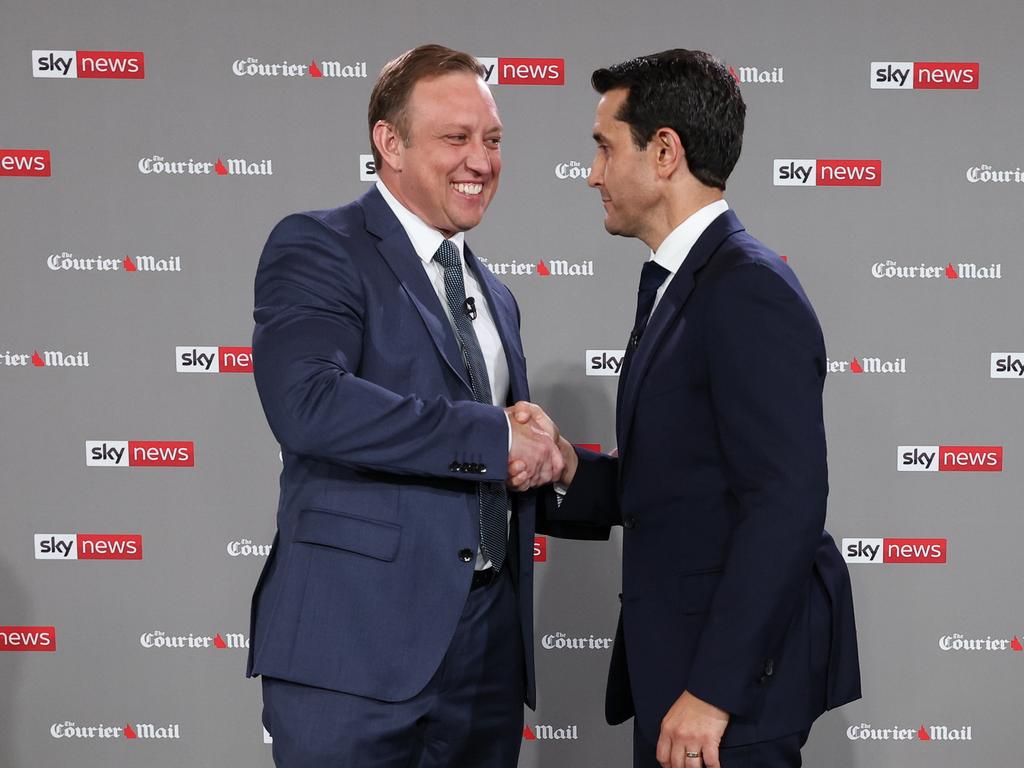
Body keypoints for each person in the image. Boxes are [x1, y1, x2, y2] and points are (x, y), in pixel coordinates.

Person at [520, 49, 861, 768]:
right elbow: (679, 483)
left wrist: (714, 690)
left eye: (605, 148)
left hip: (724, 694)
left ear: (665, 152)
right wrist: (562, 466)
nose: (593, 174)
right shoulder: (687, 284)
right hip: (682, 672)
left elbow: (785, 502)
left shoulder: (745, 288)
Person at [247, 44, 563, 767]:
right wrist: (493, 437)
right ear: (389, 143)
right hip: (351, 655)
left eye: (492, 140)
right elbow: (309, 403)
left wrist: (549, 460)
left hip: (485, 657)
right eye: (456, 138)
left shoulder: (496, 296)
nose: (480, 161)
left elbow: (496, 455)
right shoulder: (319, 246)